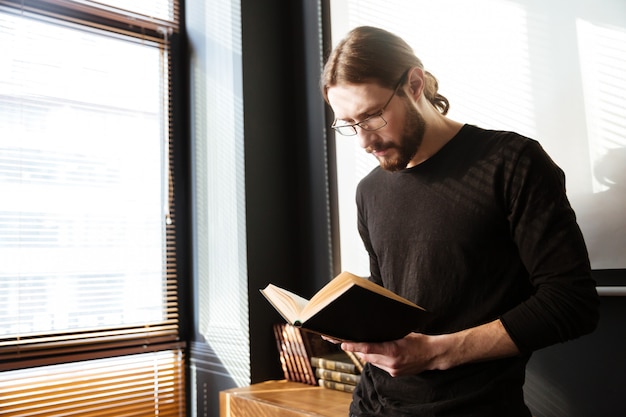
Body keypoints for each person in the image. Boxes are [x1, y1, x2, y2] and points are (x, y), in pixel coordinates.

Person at [321, 26, 600, 417]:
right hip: (372, 406)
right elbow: (393, 299)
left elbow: (572, 303)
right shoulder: (369, 191)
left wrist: (435, 354)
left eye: (372, 116)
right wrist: (347, 320)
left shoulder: (511, 162)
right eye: (348, 124)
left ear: (414, 83)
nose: (364, 140)